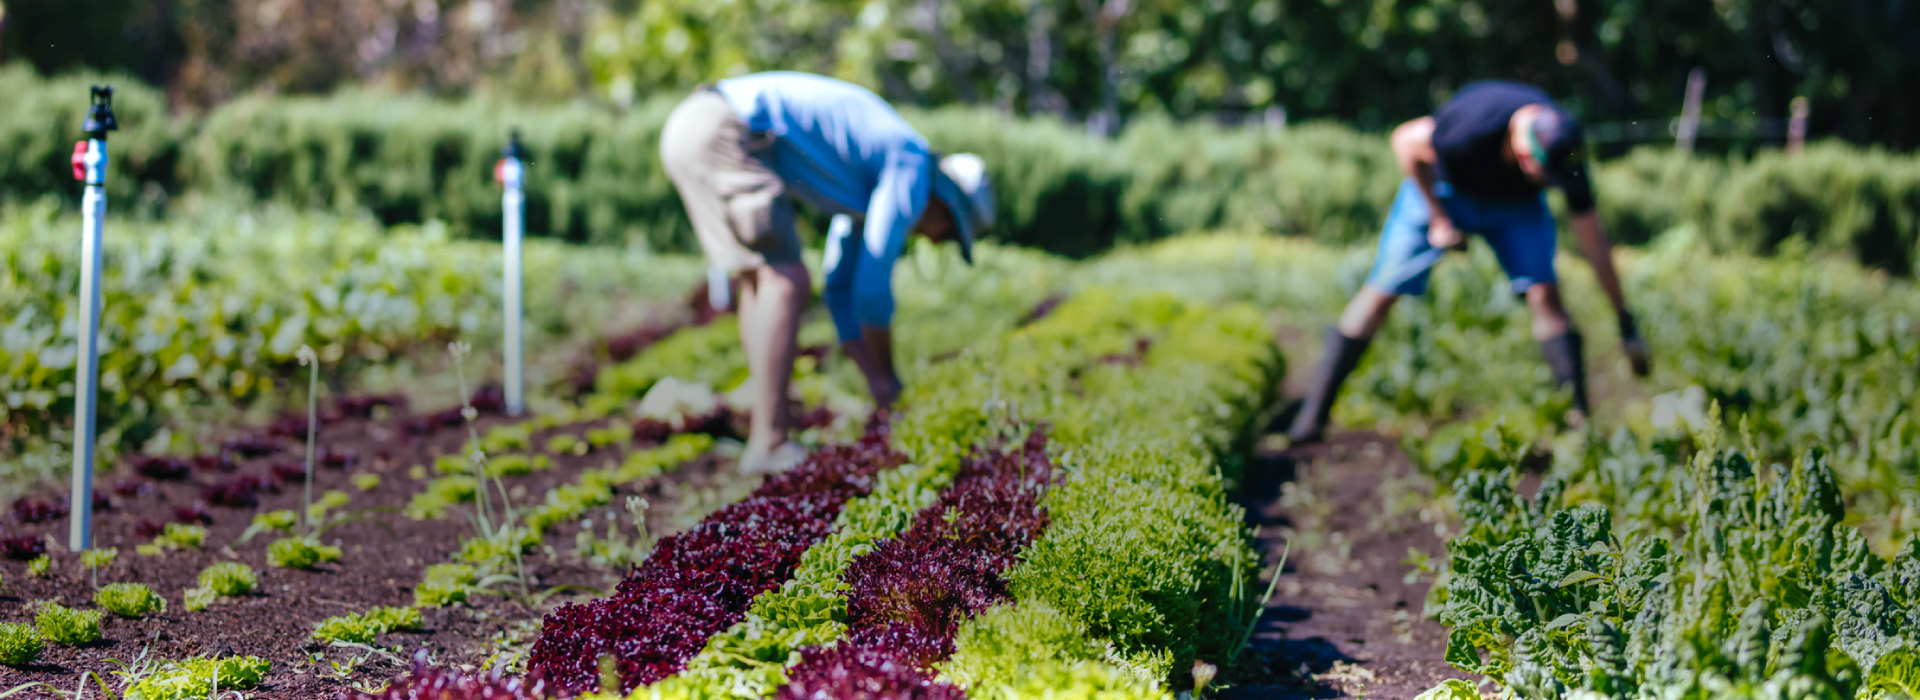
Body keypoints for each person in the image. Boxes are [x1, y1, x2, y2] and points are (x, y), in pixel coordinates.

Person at [659, 71, 995, 474]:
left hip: (695, 127)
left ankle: (766, 433)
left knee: (760, 279)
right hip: (725, 129)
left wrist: (875, 381)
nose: (939, 241)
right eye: (950, 233)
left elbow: (840, 291)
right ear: (946, 205)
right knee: (786, 281)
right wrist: (888, 378)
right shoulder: (912, 163)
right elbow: (871, 289)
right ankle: (769, 443)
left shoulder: (874, 181)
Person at [1288, 80, 1650, 444]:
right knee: (1383, 290)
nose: (1549, 183)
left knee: (1545, 294)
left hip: (1514, 208)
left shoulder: (1564, 154)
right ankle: (1312, 416)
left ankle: (1579, 426)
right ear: (1525, 155)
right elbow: (1405, 140)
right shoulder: (1472, 126)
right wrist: (1439, 219)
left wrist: (1625, 321)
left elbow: (1594, 243)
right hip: (1443, 189)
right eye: (1543, 176)